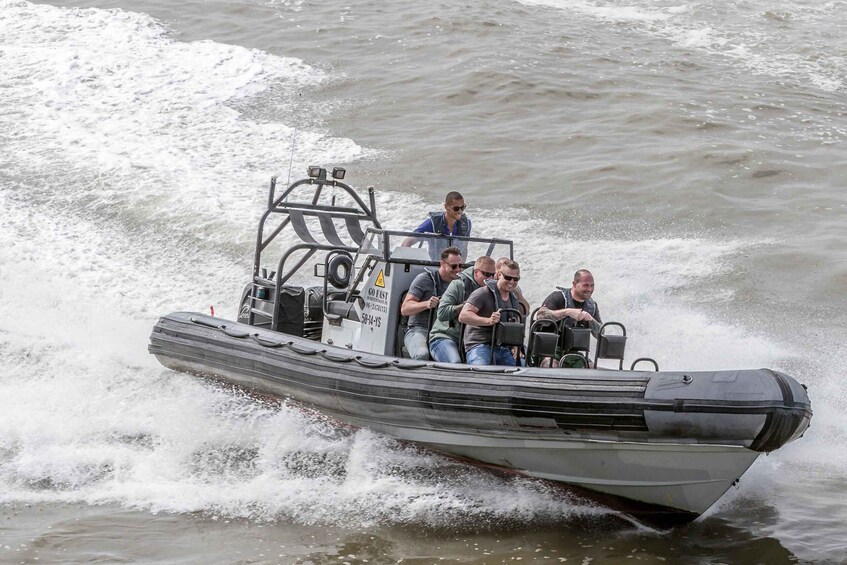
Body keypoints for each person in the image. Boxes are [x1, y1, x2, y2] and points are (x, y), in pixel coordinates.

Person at [428, 255, 496, 363]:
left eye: (493, 275)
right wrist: (465, 306)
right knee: (455, 363)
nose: (490, 279)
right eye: (486, 274)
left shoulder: (494, 290)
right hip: (446, 337)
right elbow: (441, 313)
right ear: (476, 272)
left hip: (474, 341)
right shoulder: (458, 285)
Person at [400, 246, 463, 360]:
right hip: (420, 329)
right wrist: (427, 304)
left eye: (460, 266)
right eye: (454, 266)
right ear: (442, 264)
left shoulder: (461, 284)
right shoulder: (425, 279)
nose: (458, 270)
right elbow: (405, 309)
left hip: (446, 333)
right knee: (422, 354)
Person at [458, 259, 523, 365]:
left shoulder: (514, 299)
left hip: (504, 348)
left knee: (521, 370)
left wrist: (515, 346)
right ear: (499, 275)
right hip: (480, 345)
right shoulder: (483, 293)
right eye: (508, 277)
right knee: (483, 370)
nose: (511, 282)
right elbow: (463, 316)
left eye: (516, 279)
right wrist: (488, 321)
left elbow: (514, 325)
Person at [535, 269, 602, 367]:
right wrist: (566, 312)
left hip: (573, 353)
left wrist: (590, 320)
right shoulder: (558, 297)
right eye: (586, 285)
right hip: (549, 350)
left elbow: (600, 333)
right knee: (551, 365)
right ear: (574, 284)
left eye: (592, 285)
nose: (589, 289)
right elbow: (540, 316)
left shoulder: (592, 306)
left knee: (591, 367)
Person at [402, 192, 471, 258]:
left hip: (454, 267)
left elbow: (464, 249)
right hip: (434, 267)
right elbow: (407, 242)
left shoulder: (466, 224)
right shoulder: (432, 223)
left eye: (462, 207)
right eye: (456, 208)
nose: (460, 211)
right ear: (446, 207)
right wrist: (407, 263)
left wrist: (460, 267)